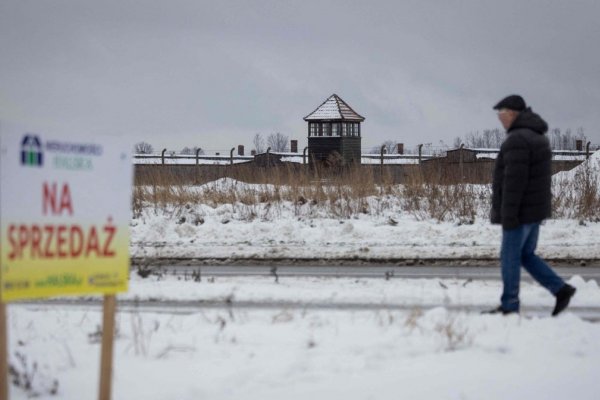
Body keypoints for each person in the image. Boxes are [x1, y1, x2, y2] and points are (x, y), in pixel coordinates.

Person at [486, 94, 576, 316]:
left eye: (502, 114)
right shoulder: (537, 137)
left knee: (510, 257)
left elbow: (514, 182)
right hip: (534, 210)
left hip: (520, 212)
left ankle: (509, 305)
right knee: (526, 255)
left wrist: (508, 214)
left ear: (513, 114)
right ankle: (560, 289)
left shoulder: (518, 140)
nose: (500, 119)